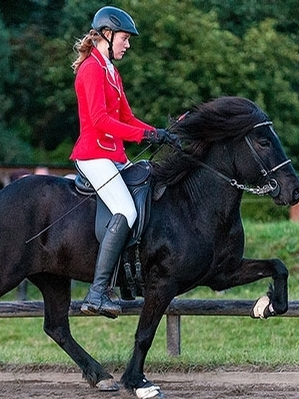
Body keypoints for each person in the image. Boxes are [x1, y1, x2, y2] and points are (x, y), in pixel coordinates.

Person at [70, 6, 178, 319]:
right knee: (126, 210)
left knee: (146, 195)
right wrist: (146, 135)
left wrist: (157, 133)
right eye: (124, 38)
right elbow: (101, 120)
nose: (127, 44)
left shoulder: (111, 71)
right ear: (106, 34)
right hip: (93, 154)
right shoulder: (90, 69)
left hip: (114, 155)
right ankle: (97, 291)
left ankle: (130, 277)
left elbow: (126, 117)